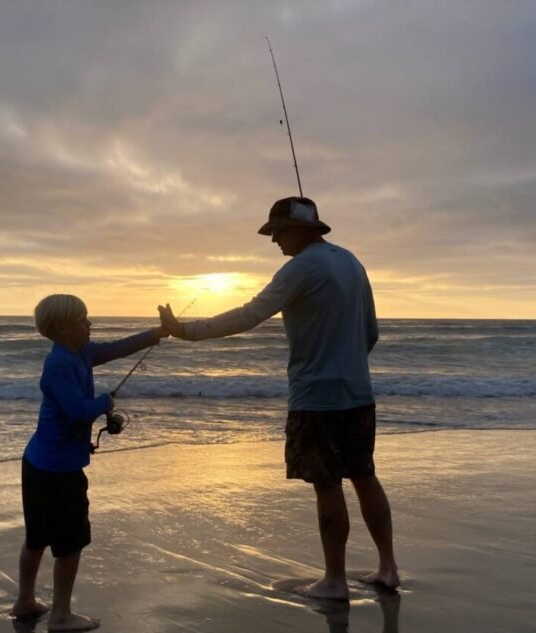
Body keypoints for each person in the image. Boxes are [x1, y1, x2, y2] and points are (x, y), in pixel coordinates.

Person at [159, 196, 399, 601]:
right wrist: (347, 363)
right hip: (358, 393)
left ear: (300, 229)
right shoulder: (352, 263)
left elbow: (250, 315)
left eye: (278, 232)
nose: (274, 241)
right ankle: (388, 568)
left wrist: (186, 331)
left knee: (327, 484)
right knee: (364, 475)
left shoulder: (300, 268)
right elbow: (371, 332)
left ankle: (335, 580)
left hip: (315, 399)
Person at [11, 294, 168, 631]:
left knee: (37, 536)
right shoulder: (57, 365)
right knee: (69, 542)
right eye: (83, 319)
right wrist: (104, 401)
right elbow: (75, 411)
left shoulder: (81, 352)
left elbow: (117, 348)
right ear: (63, 328)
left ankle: (25, 601)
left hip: (40, 461)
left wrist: (158, 333)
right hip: (56, 471)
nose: (89, 323)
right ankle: (61, 614)